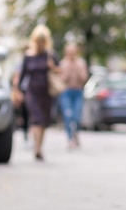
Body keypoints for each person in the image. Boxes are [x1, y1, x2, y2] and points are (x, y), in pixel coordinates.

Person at [18, 24, 60, 161]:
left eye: (43, 41)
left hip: (47, 92)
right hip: (32, 91)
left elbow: (60, 71)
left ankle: (39, 146)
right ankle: (36, 148)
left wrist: (52, 67)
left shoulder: (50, 55)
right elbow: (22, 75)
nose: (41, 44)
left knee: (43, 121)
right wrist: (18, 91)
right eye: (38, 41)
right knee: (36, 119)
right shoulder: (29, 56)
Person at [58, 43, 89, 149]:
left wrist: (77, 69)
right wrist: (68, 70)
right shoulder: (63, 63)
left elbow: (84, 78)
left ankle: (76, 133)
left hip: (78, 92)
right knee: (68, 116)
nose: (71, 54)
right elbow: (61, 80)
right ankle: (70, 137)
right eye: (69, 52)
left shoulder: (81, 63)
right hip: (66, 92)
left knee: (76, 115)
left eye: (73, 52)